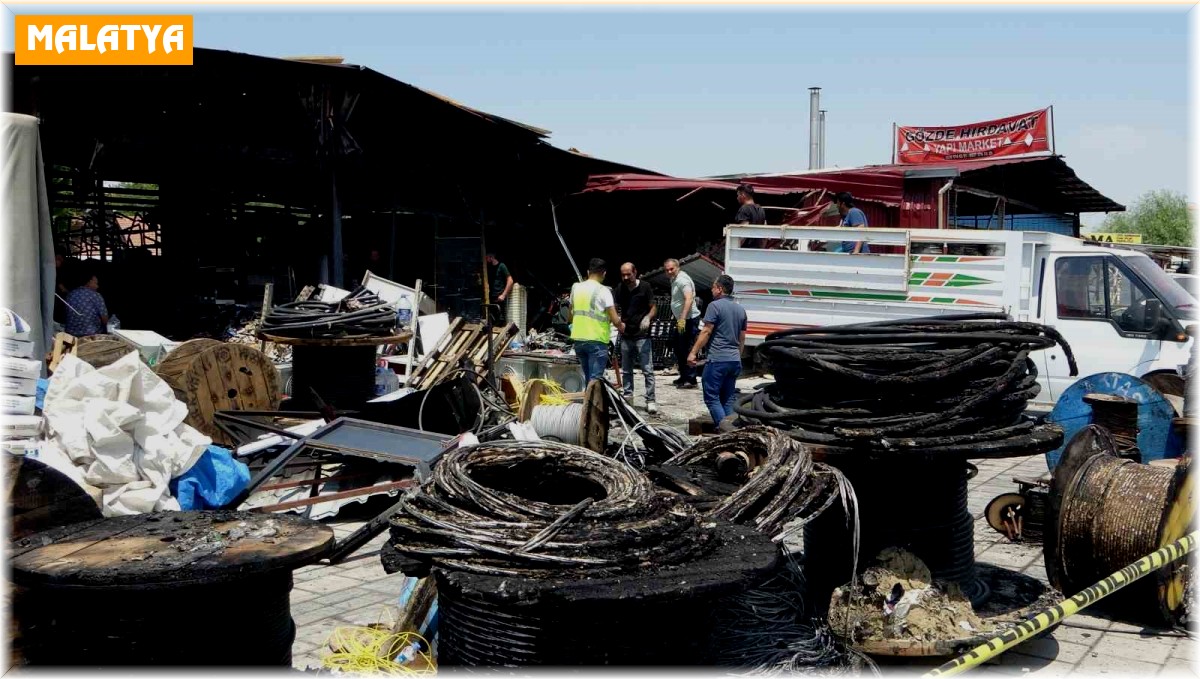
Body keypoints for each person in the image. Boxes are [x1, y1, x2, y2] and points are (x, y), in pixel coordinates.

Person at [688, 274, 747, 426]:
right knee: (728, 399)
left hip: (717, 360)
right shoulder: (741, 309)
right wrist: (737, 357)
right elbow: (742, 338)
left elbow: (706, 331)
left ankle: (726, 433)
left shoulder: (714, 306)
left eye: (713, 287)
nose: (711, 290)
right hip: (734, 360)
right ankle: (736, 433)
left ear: (720, 289)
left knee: (712, 398)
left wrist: (693, 352)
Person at [569, 258, 624, 385]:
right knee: (595, 381)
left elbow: (570, 317)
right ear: (604, 273)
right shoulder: (604, 291)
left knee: (588, 378)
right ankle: (593, 404)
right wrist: (622, 326)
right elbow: (615, 319)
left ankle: (588, 403)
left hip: (578, 340)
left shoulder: (576, 288)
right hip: (597, 341)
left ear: (588, 272)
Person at [615, 262, 658, 414]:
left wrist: (648, 318)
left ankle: (650, 400)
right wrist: (618, 320)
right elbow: (614, 307)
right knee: (626, 370)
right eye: (623, 275)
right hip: (626, 334)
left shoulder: (645, 287)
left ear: (635, 272)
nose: (626, 277)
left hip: (642, 335)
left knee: (647, 369)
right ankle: (628, 398)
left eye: (629, 274)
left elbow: (653, 307)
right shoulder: (620, 288)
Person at [665, 258, 701, 389]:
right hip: (681, 319)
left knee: (688, 347)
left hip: (688, 319)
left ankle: (691, 379)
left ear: (677, 267)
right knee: (679, 347)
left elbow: (689, 298)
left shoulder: (682, 280)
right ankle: (683, 376)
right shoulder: (674, 279)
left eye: (671, 269)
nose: (669, 271)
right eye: (667, 269)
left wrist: (682, 318)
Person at [63, 265, 109, 338]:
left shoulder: (70, 294)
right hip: (91, 335)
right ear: (89, 282)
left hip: (70, 334)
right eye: (96, 283)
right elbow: (105, 319)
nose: (98, 286)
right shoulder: (96, 295)